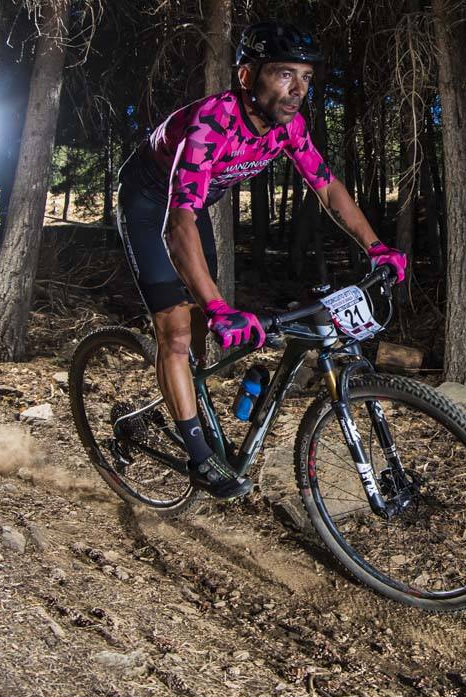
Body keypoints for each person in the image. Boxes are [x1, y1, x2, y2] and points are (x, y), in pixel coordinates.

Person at [115, 22, 407, 500]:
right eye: (285, 75)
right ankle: (198, 452)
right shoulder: (213, 123)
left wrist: (376, 245)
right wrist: (215, 306)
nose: (298, 90)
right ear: (247, 76)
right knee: (179, 326)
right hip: (152, 207)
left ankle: (192, 397)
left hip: (190, 208)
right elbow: (179, 221)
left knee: (211, 323)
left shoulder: (289, 126)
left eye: (307, 78)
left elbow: (327, 186)